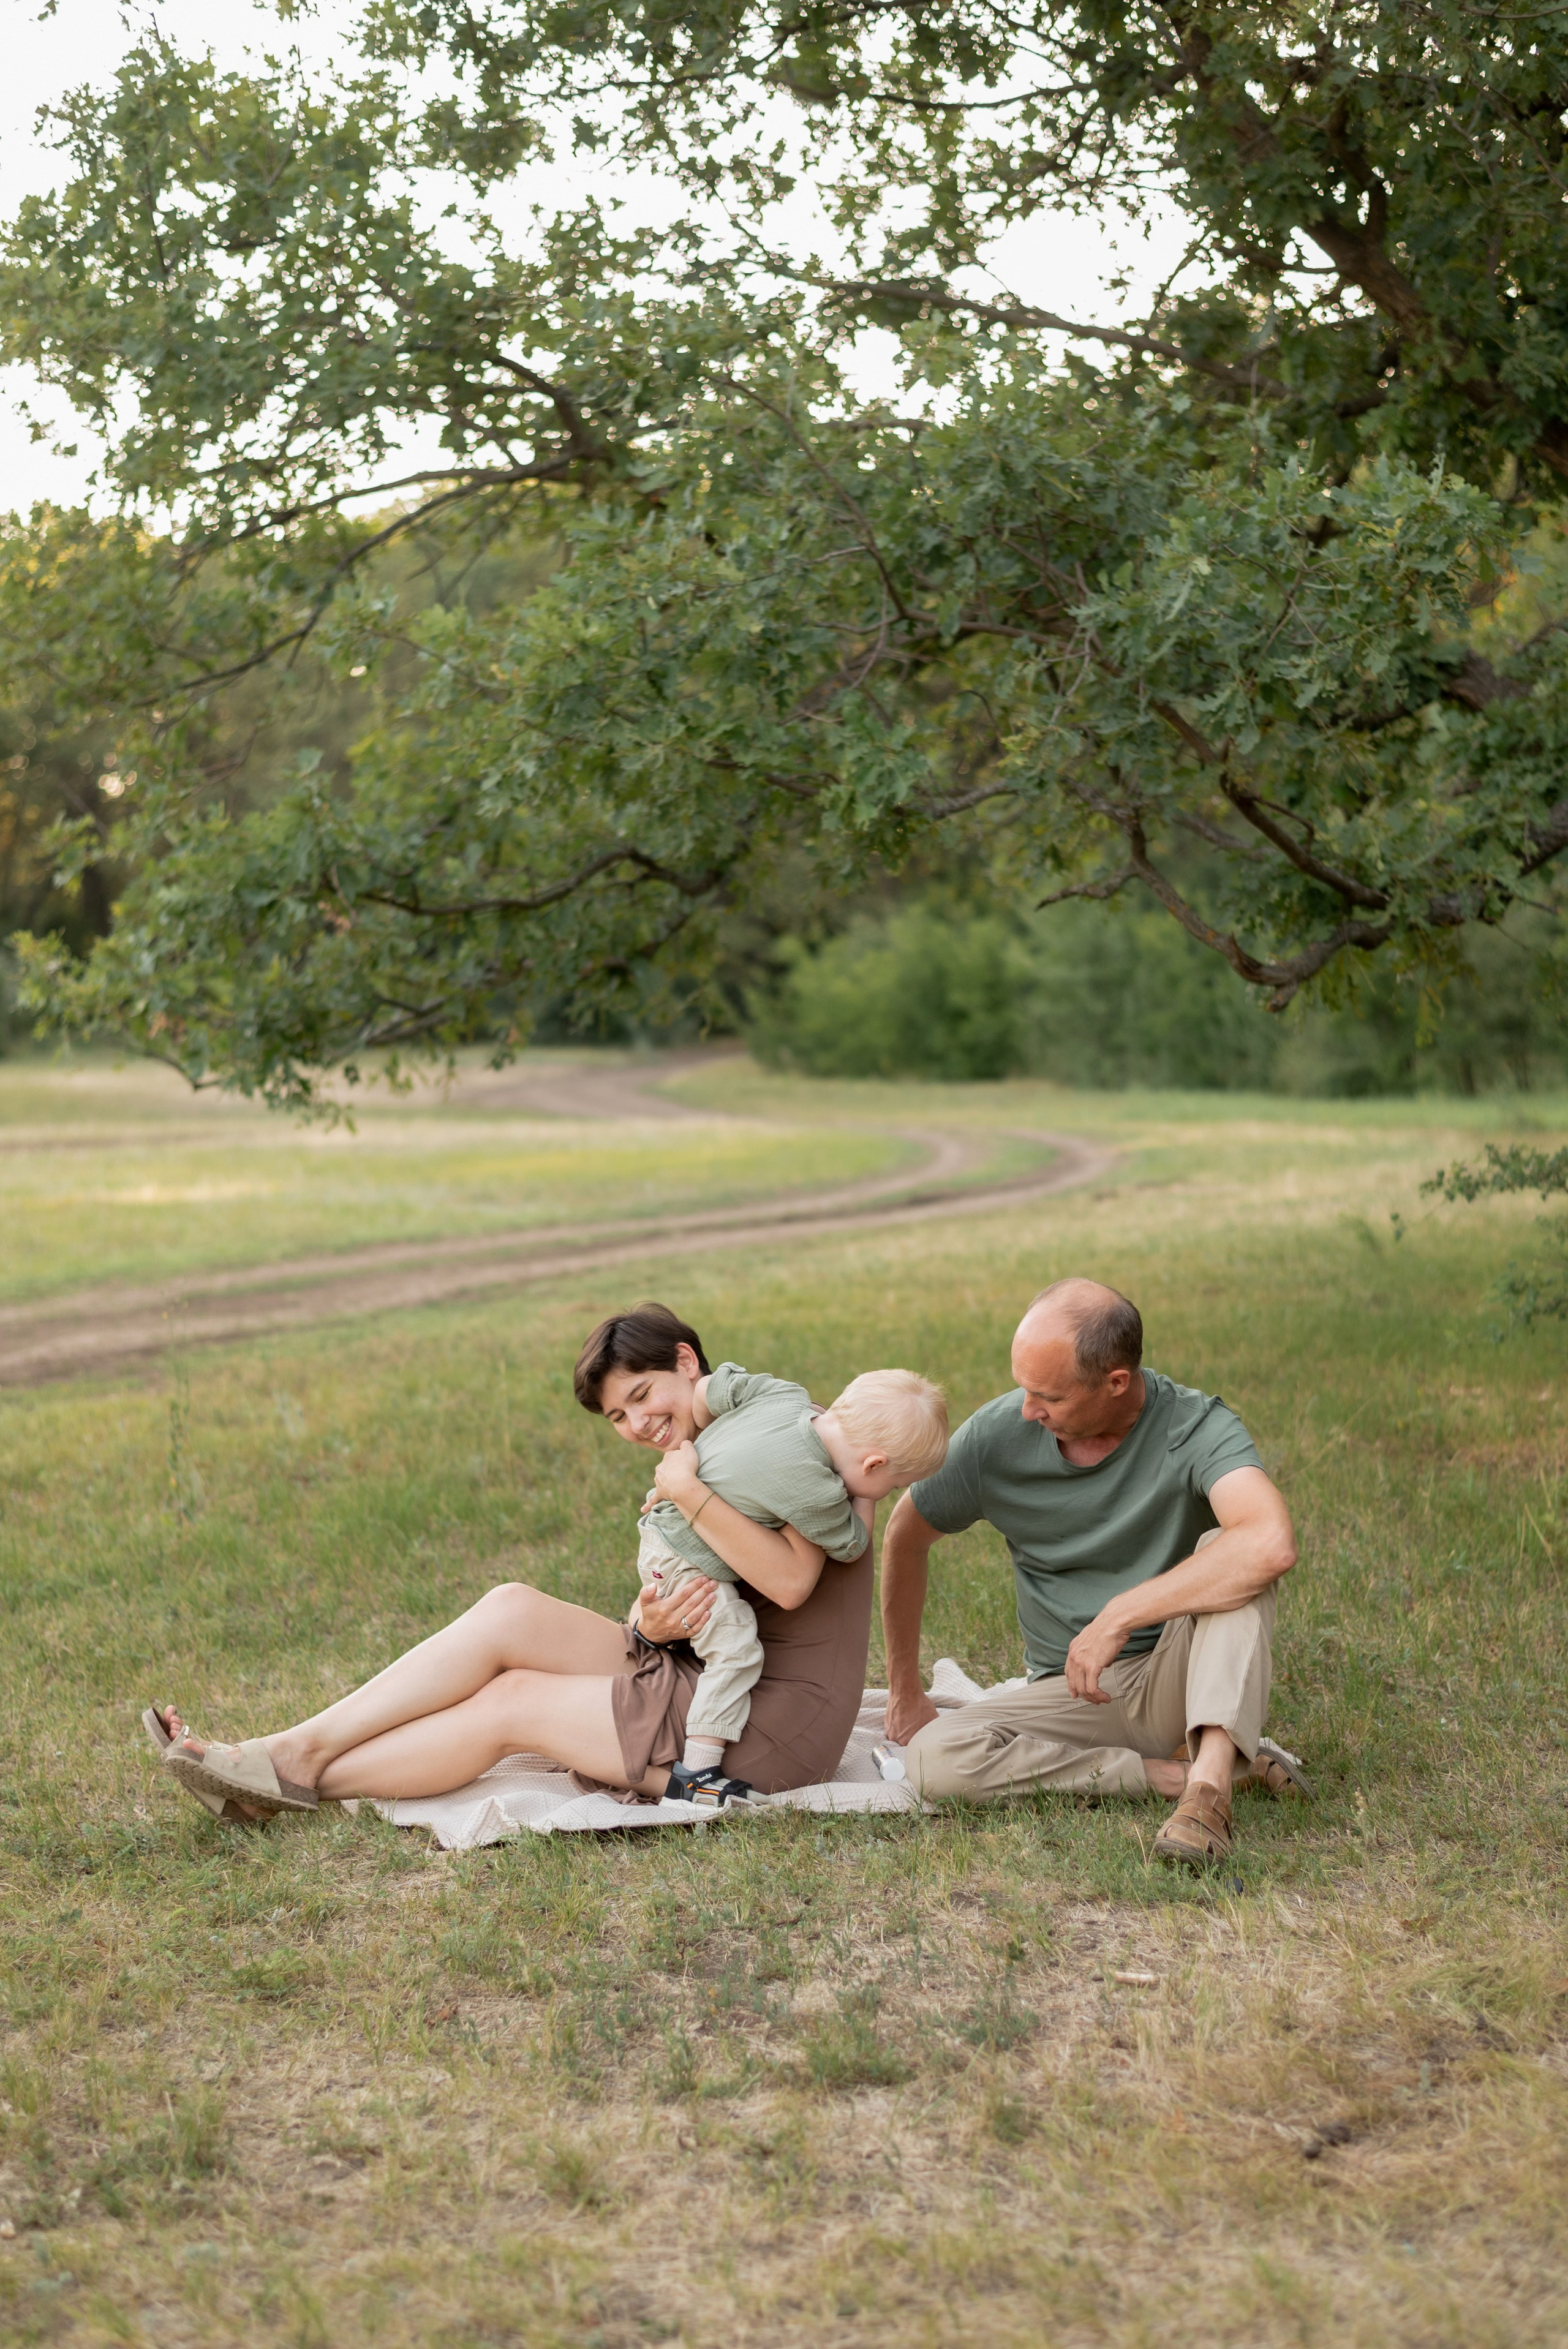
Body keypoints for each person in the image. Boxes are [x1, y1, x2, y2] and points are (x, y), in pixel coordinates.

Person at [149, 1303, 899, 1822]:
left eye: (642, 1395)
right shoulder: (708, 1451)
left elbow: (791, 1583)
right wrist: (651, 1620)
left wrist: (687, 1492)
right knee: (510, 1605)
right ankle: (282, 1760)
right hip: (711, 1671)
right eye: (618, 1416)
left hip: (769, 1725)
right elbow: (688, 1593)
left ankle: (281, 1775)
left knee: (514, 1704)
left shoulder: (787, 1439)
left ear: (686, 1361)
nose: (639, 1423)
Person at [881, 1277, 1303, 1868]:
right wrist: (904, 1688)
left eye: (1048, 1395)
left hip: (1179, 1675)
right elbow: (905, 1535)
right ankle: (1176, 1776)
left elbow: (1270, 1541)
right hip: (1073, 1694)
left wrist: (1120, 1615)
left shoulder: (1193, 1425)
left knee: (1233, 1552)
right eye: (1024, 1388)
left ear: (1116, 1382)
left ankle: (1209, 1795)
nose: (1028, 1410)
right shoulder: (998, 1436)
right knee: (933, 1759)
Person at [623, 1356, 949, 1804]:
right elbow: (853, 1544)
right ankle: (698, 1770)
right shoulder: (817, 1489)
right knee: (736, 1649)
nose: (887, 1494)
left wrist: (707, 1452)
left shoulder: (784, 1396)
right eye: (893, 1486)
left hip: (662, 1532)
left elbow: (708, 1391)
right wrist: (863, 1496)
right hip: (684, 1560)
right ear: (873, 1464)